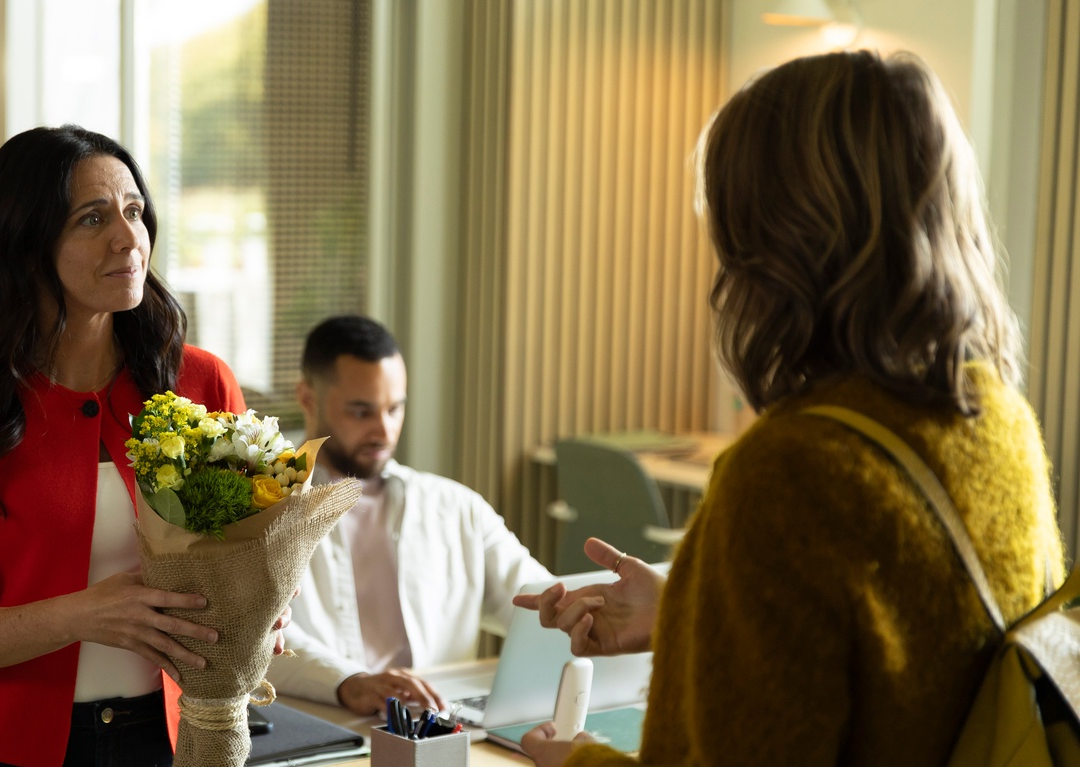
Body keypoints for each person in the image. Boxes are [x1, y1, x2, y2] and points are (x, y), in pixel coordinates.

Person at [516, 50, 1065, 767]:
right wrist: (691, 608)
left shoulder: (789, 474)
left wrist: (578, 760)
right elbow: (911, 682)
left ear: (771, 242)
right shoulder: (999, 423)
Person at [0, 125, 289, 767]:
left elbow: (251, 557)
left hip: (174, 740)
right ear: (24, 242)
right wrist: (82, 615)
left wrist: (261, 611)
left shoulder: (201, 382)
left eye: (134, 212)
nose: (128, 238)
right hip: (2, 748)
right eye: (92, 218)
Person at [265, 315, 552, 715]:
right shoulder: (261, 510)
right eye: (362, 412)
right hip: (324, 726)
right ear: (308, 399)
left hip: (436, 723)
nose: (384, 431)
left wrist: (602, 605)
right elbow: (254, 635)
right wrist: (349, 682)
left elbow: (538, 601)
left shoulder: (456, 508)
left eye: (395, 409)